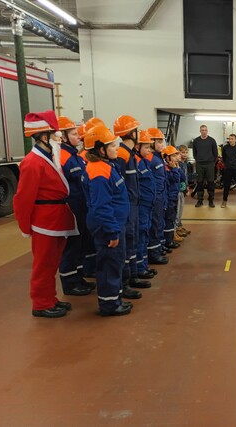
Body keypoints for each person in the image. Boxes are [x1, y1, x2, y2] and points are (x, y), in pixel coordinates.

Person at [13, 110, 78, 318]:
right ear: (43, 136)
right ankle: (41, 303)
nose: (59, 137)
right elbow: (23, 198)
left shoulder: (49, 157)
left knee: (52, 263)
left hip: (56, 218)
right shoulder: (32, 162)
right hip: (45, 221)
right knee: (43, 264)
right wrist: (25, 226)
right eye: (55, 133)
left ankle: (50, 298)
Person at [82, 125, 133, 316]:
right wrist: (112, 231)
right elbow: (102, 206)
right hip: (108, 227)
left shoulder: (106, 166)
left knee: (115, 262)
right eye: (112, 146)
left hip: (114, 223)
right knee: (109, 264)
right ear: (100, 149)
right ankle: (109, 305)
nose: (116, 149)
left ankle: (115, 299)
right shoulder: (98, 172)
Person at [57, 116, 94, 296]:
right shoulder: (62, 157)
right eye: (73, 133)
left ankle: (78, 277)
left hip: (81, 206)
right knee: (71, 246)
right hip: (72, 207)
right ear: (62, 137)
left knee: (80, 244)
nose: (78, 137)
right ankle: (70, 283)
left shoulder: (73, 155)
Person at [113, 115, 148, 296]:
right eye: (135, 129)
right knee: (126, 244)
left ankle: (132, 275)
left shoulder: (129, 154)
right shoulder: (122, 154)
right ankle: (124, 283)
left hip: (133, 205)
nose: (138, 132)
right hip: (126, 206)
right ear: (129, 133)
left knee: (132, 240)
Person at [134, 130, 157, 280]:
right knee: (140, 236)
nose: (149, 151)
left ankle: (143, 266)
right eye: (146, 147)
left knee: (145, 234)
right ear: (137, 146)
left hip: (147, 205)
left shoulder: (142, 161)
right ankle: (139, 269)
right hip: (141, 205)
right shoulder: (135, 162)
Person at [146, 127, 169, 265]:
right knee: (154, 224)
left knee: (159, 222)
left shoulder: (158, 158)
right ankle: (153, 253)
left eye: (162, 142)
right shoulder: (150, 159)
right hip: (155, 197)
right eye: (159, 142)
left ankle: (158, 247)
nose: (162, 145)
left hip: (162, 195)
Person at [193, 124, 218, 207]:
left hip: (210, 164)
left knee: (211, 183)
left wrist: (212, 162)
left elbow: (215, 154)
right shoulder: (196, 141)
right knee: (199, 183)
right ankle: (200, 200)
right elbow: (194, 153)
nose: (204, 132)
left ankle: (211, 200)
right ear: (200, 131)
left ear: (207, 131)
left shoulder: (212, 141)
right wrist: (199, 160)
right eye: (202, 130)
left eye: (205, 130)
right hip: (200, 164)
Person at [162, 145, 182, 249]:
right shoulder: (167, 169)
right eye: (173, 156)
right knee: (169, 219)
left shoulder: (174, 167)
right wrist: (175, 169)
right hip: (169, 197)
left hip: (174, 196)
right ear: (167, 158)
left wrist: (177, 168)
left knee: (172, 218)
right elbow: (175, 179)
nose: (175, 158)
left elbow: (182, 177)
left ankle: (170, 238)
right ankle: (168, 241)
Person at [221, 134, 236, 208]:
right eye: (229, 139)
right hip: (228, 169)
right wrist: (227, 164)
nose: (230, 140)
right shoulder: (225, 148)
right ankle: (224, 201)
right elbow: (224, 158)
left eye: (232, 139)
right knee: (226, 186)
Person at [175, 145, 191, 240]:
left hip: (183, 189)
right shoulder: (178, 164)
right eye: (182, 152)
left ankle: (179, 226)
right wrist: (184, 188)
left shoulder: (184, 164)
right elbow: (180, 178)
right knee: (177, 209)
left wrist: (187, 187)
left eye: (186, 152)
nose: (184, 154)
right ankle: (176, 228)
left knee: (181, 209)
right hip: (179, 190)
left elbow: (185, 177)